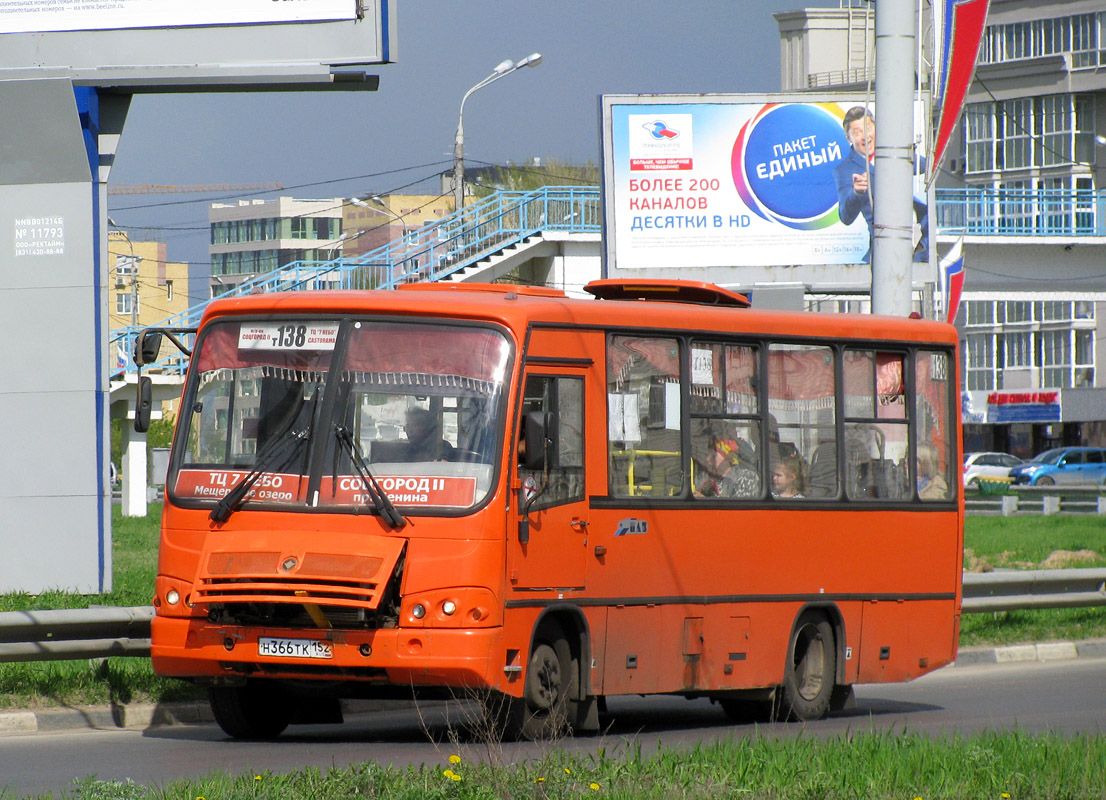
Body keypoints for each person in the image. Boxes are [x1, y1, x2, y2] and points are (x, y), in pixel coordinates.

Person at [833, 106, 929, 264]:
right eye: (857, 133)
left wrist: (901, 152)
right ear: (848, 138)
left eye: (868, 128)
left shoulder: (892, 153)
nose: (865, 136)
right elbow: (845, 216)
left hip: (920, 243)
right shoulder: (845, 169)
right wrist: (856, 192)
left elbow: (925, 166)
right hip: (883, 247)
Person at [696, 438, 760, 498]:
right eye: (708, 455)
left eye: (713, 456)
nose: (708, 459)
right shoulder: (709, 481)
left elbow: (740, 506)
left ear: (729, 458)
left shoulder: (746, 477)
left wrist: (705, 501)